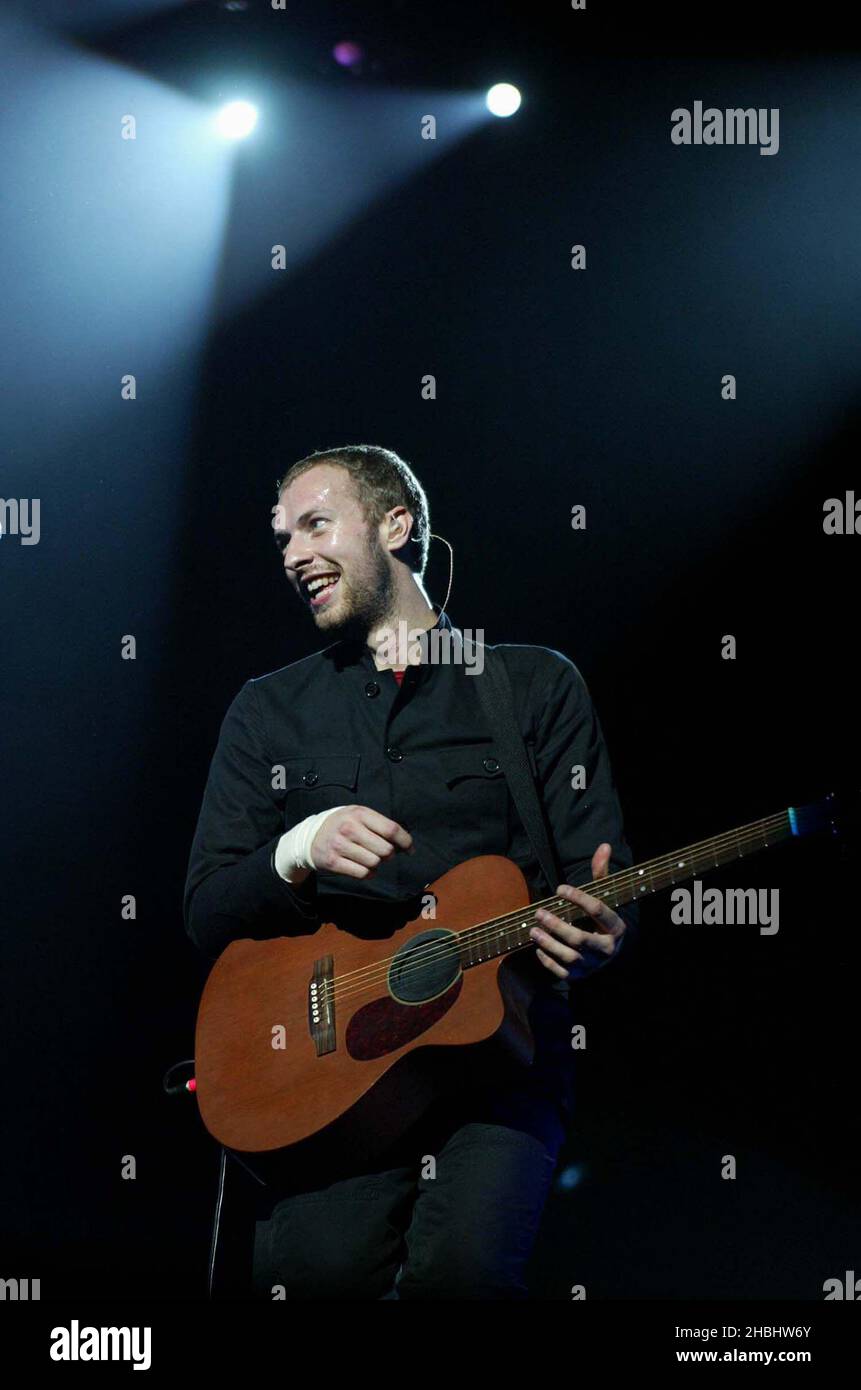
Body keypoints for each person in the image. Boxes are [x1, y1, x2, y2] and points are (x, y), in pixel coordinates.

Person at [183, 443, 637, 1299]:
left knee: (464, 1276)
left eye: (315, 525)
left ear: (397, 525)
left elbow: (597, 875)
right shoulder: (267, 709)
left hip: (499, 1068)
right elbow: (207, 909)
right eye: (282, 539)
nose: (292, 555)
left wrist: (603, 934)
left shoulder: (531, 686)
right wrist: (297, 848)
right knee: (318, 1276)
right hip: (323, 1076)